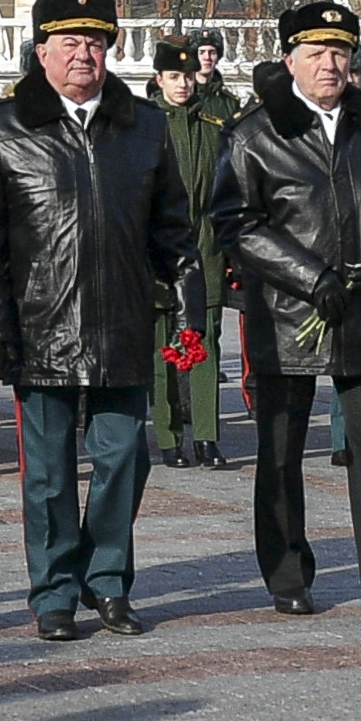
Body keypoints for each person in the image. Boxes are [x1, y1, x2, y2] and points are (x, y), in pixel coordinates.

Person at [0, 0, 200, 640]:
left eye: (93, 41)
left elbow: (173, 231)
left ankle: (108, 581)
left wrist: (187, 311)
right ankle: (54, 591)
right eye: (68, 42)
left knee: (125, 456)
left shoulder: (143, 126)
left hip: (122, 321)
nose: (82, 54)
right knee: (49, 472)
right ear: (41, 52)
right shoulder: (2, 125)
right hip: (39, 325)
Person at [212, 0, 361, 617]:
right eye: (316, 54)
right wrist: (309, 276)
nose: (330, 65)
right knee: (281, 449)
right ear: (290, 60)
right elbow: (236, 221)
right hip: (289, 314)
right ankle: (287, 576)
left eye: (340, 52)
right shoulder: (255, 134)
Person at [146, 40, 229, 468]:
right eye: (174, 77)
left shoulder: (214, 123)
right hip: (160, 250)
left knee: (206, 342)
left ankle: (208, 436)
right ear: (159, 79)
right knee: (164, 345)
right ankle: (168, 435)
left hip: (206, 247)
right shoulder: (144, 125)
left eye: (188, 76)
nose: (183, 84)